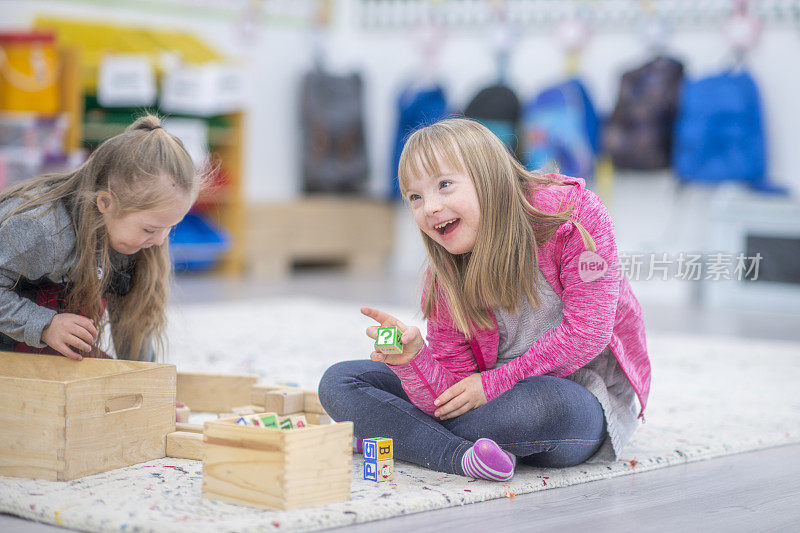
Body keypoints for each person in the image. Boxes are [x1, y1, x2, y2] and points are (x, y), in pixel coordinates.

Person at [319, 118, 651, 481]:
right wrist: (413, 362)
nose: (429, 207)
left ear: (488, 177)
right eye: (415, 197)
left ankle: (399, 433)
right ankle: (459, 456)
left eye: (444, 185)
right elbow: (450, 398)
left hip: (576, 395)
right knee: (340, 381)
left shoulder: (576, 216)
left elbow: (589, 331)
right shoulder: (445, 276)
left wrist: (492, 384)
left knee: (528, 409)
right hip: (484, 399)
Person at [0, 114, 202, 361]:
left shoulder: (132, 238)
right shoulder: (40, 229)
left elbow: (133, 321)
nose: (160, 240)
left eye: (171, 227)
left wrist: (148, 385)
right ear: (105, 203)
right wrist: (44, 325)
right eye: (150, 230)